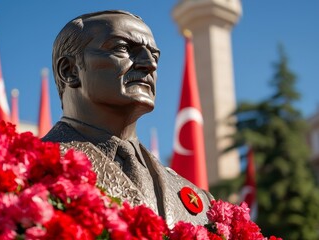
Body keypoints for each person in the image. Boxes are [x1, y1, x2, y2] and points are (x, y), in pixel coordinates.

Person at [42, 10, 213, 227]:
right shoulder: (24, 170)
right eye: (123, 48)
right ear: (69, 70)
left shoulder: (201, 202)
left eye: (155, 56)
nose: (149, 64)